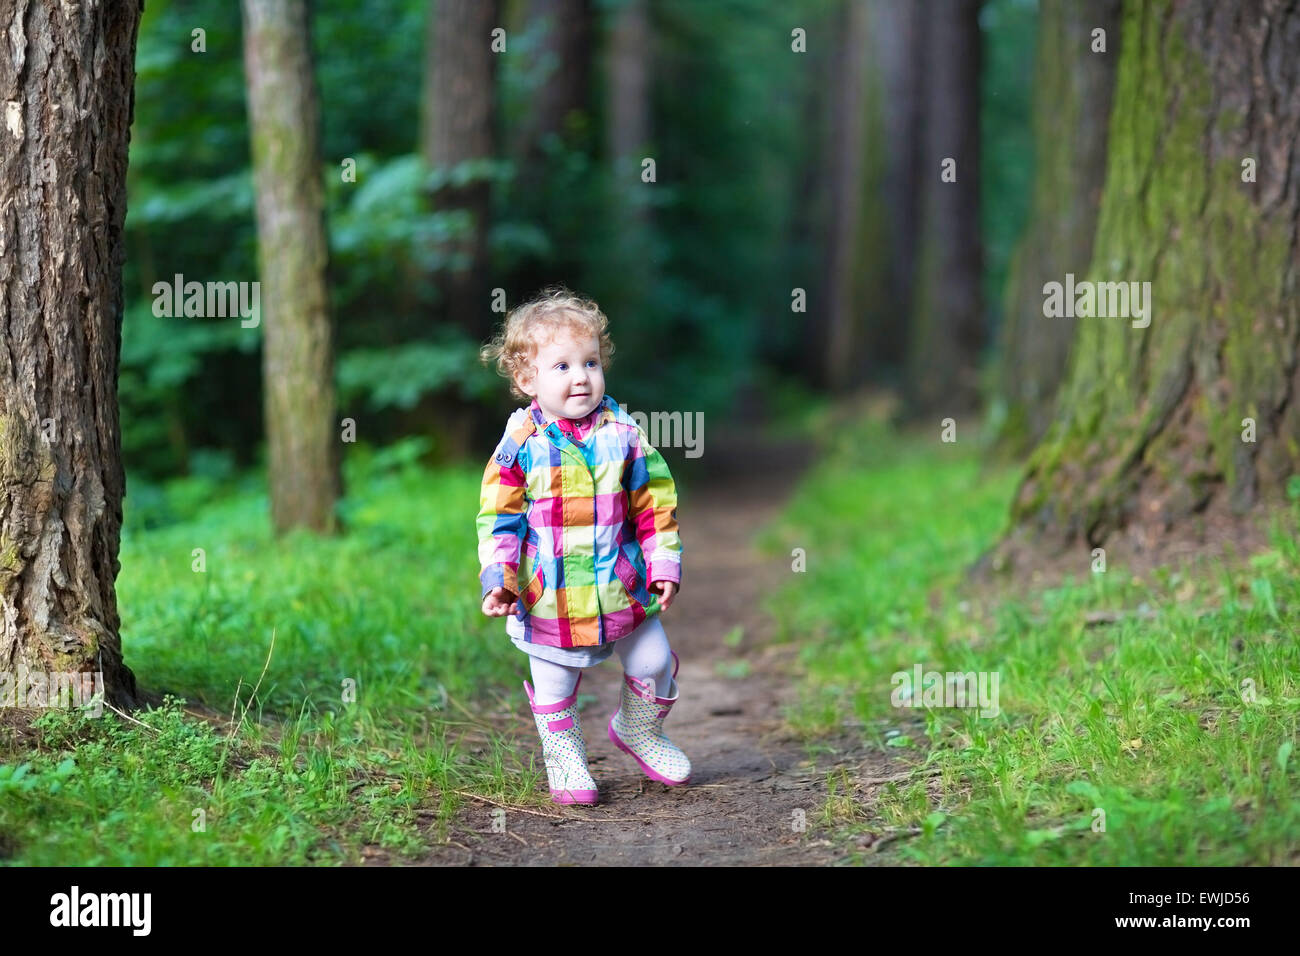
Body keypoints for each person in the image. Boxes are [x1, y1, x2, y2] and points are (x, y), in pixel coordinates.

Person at [476, 287, 689, 805]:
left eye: (590, 362)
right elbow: (498, 518)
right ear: (527, 380)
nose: (580, 377)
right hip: (548, 596)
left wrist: (663, 561)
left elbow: (653, 504)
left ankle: (639, 728)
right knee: (554, 686)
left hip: (620, 585)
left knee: (653, 659)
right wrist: (500, 580)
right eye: (563, 366)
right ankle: (565, 755)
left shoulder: (625, 434)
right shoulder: (519, 446)